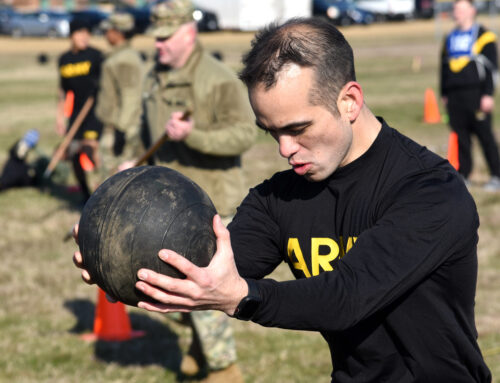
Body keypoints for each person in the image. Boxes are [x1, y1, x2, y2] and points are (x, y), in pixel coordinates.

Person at [74, 17, 492, 382]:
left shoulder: (429, 192)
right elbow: (204, 269)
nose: (285, 149)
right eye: (272, 132)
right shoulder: (279, 198)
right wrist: (118, 255)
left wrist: (243, 297)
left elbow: (345, 297)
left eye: (298, 128)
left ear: (349, 101)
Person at [139, 1, 256, 381]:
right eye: (155, 37)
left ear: (188, 33)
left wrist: (194, 135)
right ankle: (196, 344)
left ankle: (224, 369)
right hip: (166, 205)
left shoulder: (218, 78)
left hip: (208, 205)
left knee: (199, 289)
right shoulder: (155, 76)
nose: (158, 45)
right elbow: (144, 131)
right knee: (169, 290)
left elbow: (244, 135)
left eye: (165, 37)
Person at [440, 0, 500, 191]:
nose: (456, 12)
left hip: (476, 94)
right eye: (455, 9)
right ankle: (464, 174)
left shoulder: (484, 36)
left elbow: (491, 69)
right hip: (455, 96)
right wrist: (444, 93)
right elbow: (444, 67)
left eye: (460, 8)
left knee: (485, 136)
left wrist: (488, 94)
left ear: (472, 11)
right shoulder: (450, 37)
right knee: (460, 137)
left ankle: (496, 175)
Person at [57, 18, 103, 202]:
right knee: (74, 154)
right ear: (71, 35)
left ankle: (103, 190)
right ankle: (86, 194)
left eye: (87, 33)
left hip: (95, 113)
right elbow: (63, 91)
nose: (85, 37)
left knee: (90, 150)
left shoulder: (96, 56)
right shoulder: (64, 59)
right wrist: (59, 118)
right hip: (76, 115)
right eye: (80, 33)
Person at [94, 12, 144, 182]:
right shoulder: (118, 56)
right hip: (113, 126)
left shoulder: (124, 60)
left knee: (115, 178)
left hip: (120, 129)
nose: (105, 34)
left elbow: (131, 97)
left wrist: (121, 131)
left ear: (118, 32)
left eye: (108, 30)